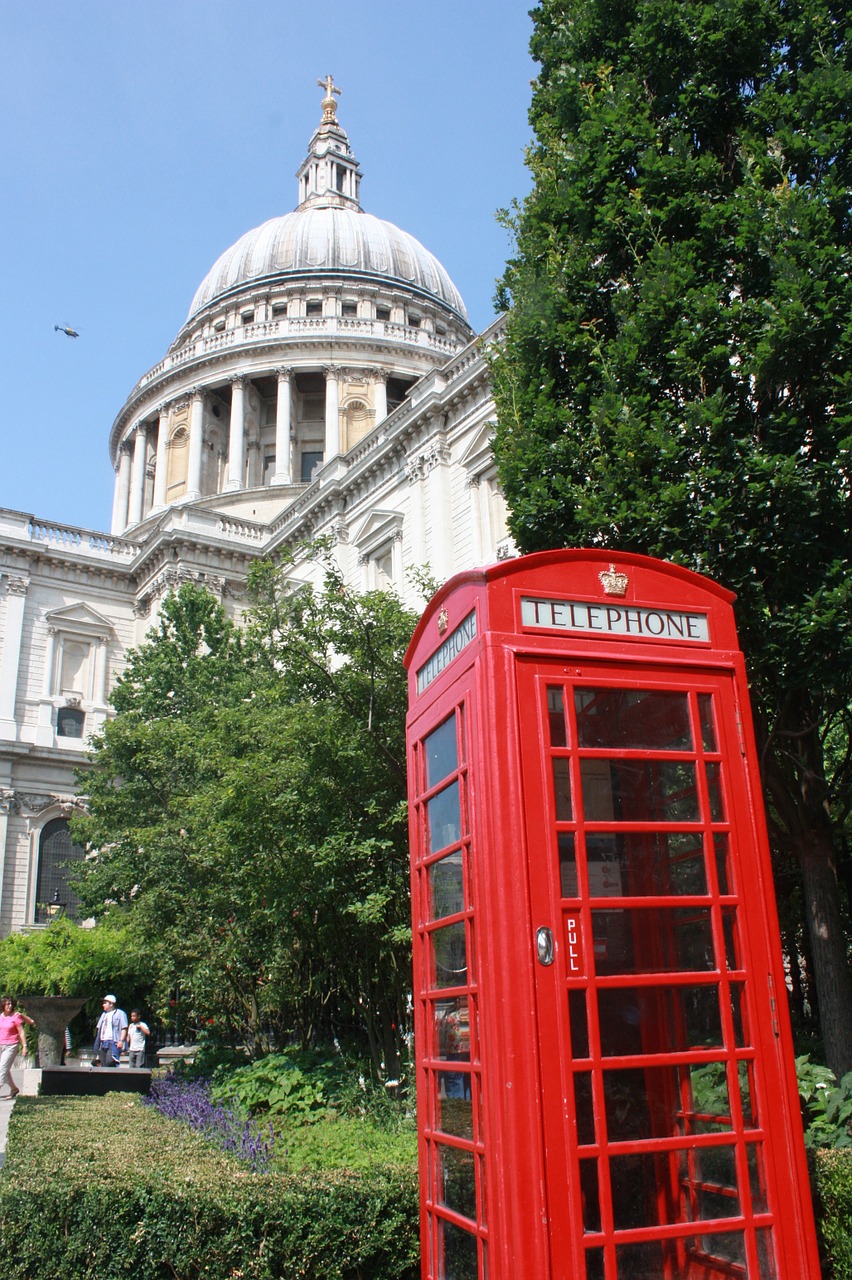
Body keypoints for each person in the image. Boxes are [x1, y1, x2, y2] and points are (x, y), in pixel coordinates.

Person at [0, 996, 35, 1099]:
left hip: (11, 1046)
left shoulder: (15, 1016)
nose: (9, 1006)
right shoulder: (0, 1017)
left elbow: (21, 1032)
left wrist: (24, 1046)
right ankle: (14, 1089)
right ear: (3, 1005)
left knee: (2, 1069)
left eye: (11, 1004)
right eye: (7, 1004)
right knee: (4, 1069)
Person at [93, 994, 128, 1067]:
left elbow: (124, 1028)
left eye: (105, 1003)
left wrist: (121, 1041)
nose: (103, 1005)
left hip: (113, 1042)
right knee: (103, 1064)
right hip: (103, 1043)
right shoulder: (103, 1015)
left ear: (111, 1004)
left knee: (110, 1062)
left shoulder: (120, 1013)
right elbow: (99, 1029)